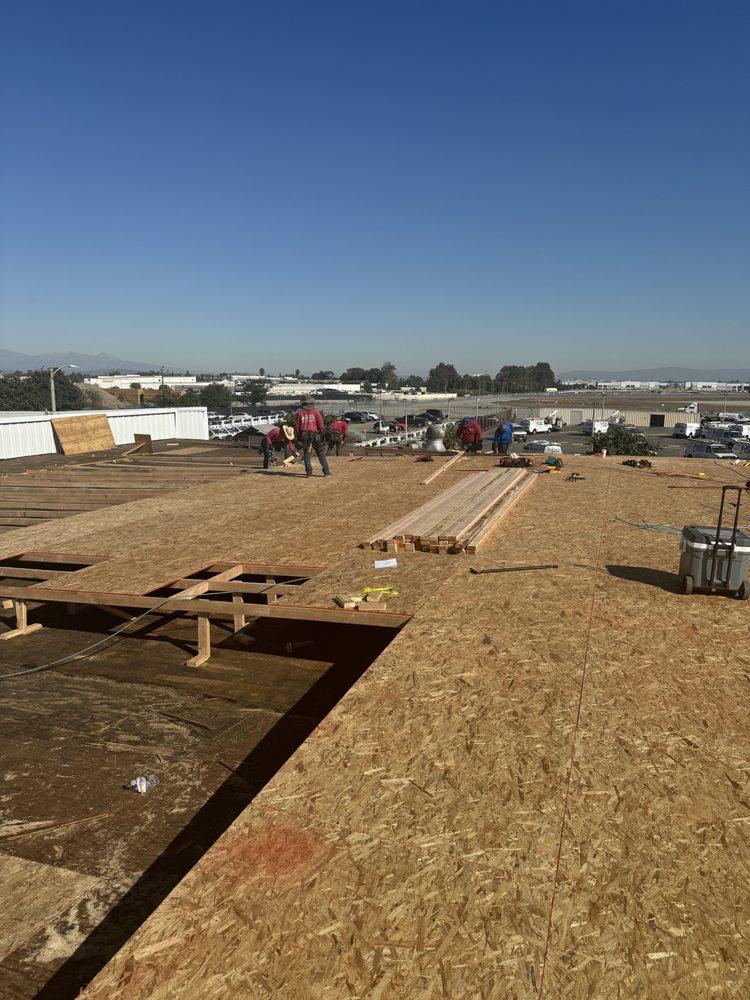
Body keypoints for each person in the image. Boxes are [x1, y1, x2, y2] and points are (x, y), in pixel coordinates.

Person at [295, 396, 331, 477]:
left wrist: (299, 437)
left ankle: (309, 473)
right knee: (320, 453)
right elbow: (321, 425)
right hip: (315, 435)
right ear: (312, 403)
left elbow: (297, 427)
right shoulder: (316, 411)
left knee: (306, 454)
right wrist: (321, 433)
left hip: (304, 435)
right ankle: (326, 471)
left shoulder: (300, 412)